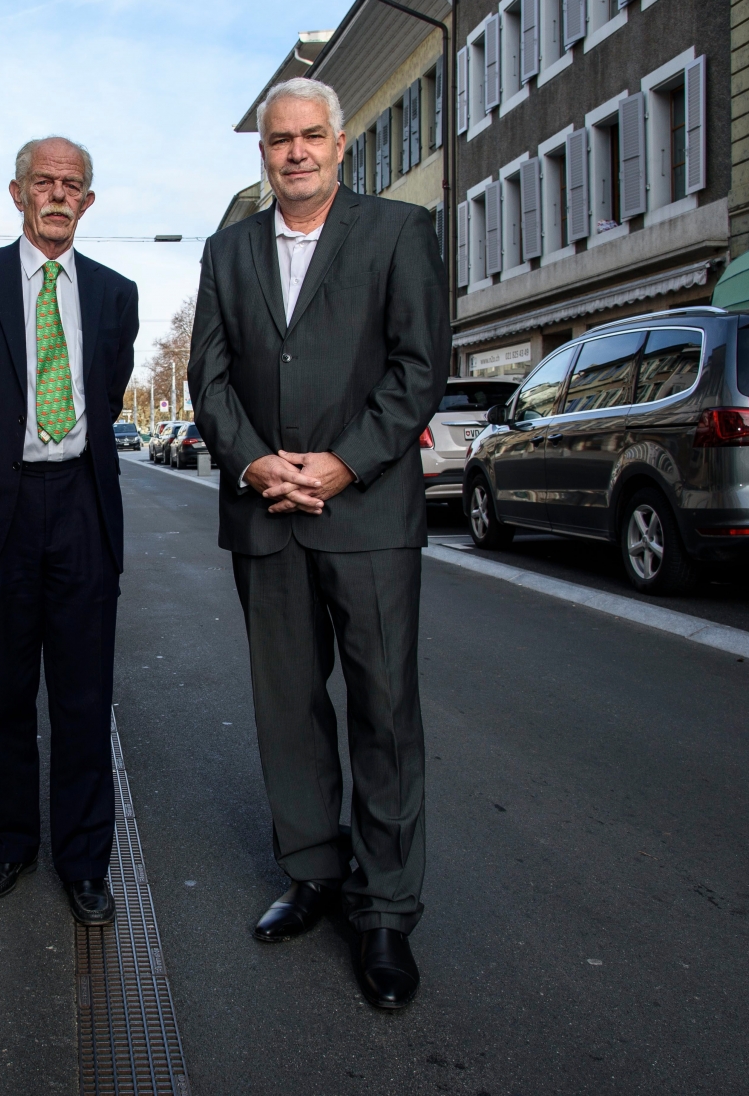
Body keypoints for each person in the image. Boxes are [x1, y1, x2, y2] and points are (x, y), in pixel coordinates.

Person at [187, 77, 449, 1009]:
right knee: (287, 707)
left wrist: (341, 465)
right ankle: (312, 872)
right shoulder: (227, 251)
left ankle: (383, 912)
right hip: (265, 516)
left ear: (340, 145)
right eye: (275, 141)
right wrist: (258, 466)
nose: (292, 152)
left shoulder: (397, 233)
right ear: (261, 153)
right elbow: (208, 379)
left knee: (383, 712)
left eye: (308, 138)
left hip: (367, 514)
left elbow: (420, 370)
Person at [0, 137, 140, 925]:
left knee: (85, 699)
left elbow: (108, 394)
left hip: (82, 506)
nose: (57, 195)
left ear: (86, 202)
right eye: (43, 182)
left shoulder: (115, 295)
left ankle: (84, 863)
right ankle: (11, 844)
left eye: (72, 185)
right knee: (8, 694)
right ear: (16, 192)